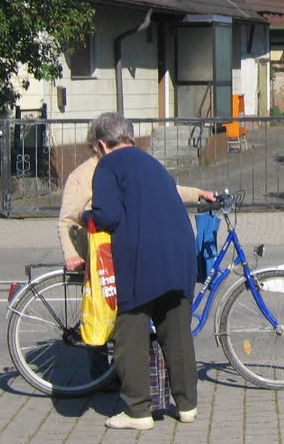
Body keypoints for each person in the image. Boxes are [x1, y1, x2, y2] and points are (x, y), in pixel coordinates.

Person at [83, 111, 201, 431]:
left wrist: (86, 217)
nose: (95, 155)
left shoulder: (108, 166)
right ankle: (187, 405)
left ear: (104, 146)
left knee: (130, 331)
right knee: (175, 330)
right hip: (179, 249)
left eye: (94, 149)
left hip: (140, 256)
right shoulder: (152, 162)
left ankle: (138, 411)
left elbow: (106, 216)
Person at [58, 152, 215, 271]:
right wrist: (72, 255)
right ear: (99, 145)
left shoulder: (124, 166)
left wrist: (199, 194)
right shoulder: (83, 175)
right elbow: (67, 220)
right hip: (100, 258)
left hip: (125, 253)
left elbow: (161, 189)